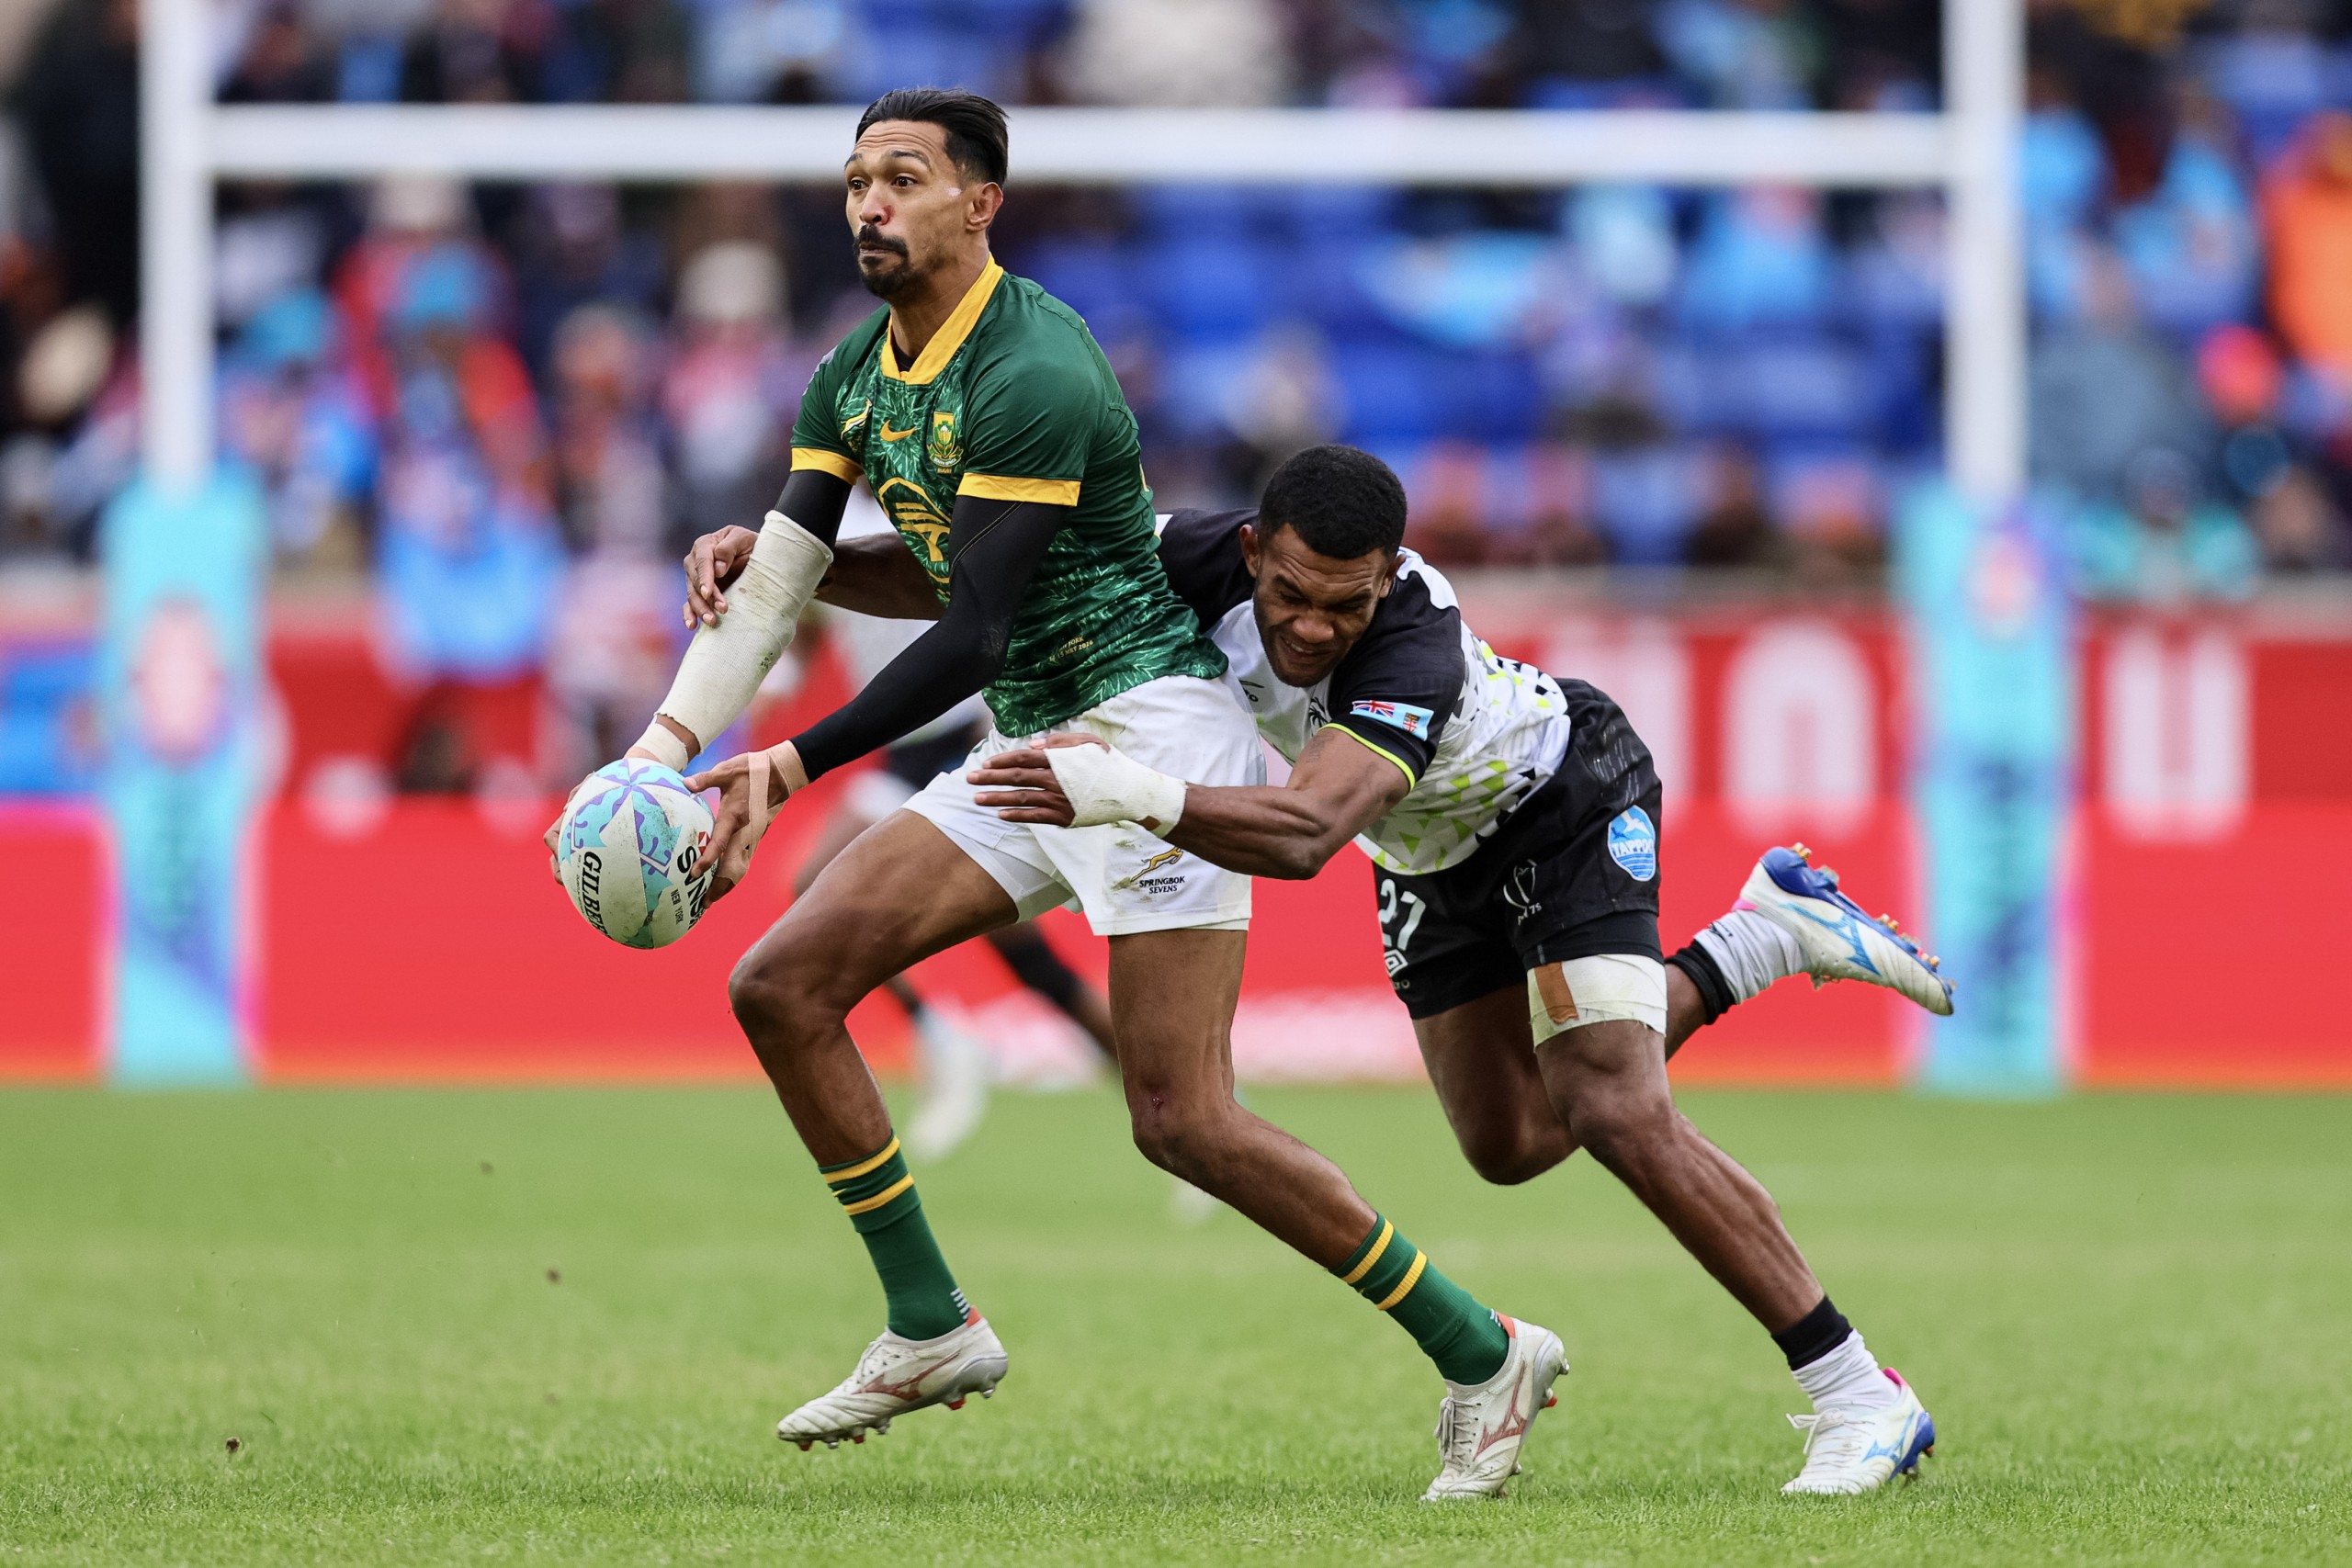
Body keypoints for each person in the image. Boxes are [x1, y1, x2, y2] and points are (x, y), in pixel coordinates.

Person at [572, 90, 1564, 1499]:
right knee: (781, 984)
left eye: (902, 177)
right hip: (1040, 743)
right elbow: (793, 574)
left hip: (1158, 738)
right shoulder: (847, 377)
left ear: (981, 201)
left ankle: (1485, 1346)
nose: (869, 202)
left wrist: (788, 764)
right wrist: (658, 754)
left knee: (1183, 1118)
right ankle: (931, 1323)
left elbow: (974, 622)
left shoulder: (1036, 362)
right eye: (856, 177)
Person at [953, 445, 1951, 1495]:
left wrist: (1131, 791)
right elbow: (1000, 569)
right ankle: (1763, 935)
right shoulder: (1191, 552)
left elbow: (1302, 836)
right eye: (1290, 594)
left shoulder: (1413, 645)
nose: (1311, 627)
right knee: (1511, 1141)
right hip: (1428, 860)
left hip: (1560, 804)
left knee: (1612, 1104)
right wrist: (802, 563)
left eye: (1346, 605)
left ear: (1387, 579)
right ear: (1252, 552)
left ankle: (1859, 1396)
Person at [797, 491, 1120, 1161]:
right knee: (814, 882)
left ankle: (1167, 1094)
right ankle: (946, 1037)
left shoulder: (929, 499)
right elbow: (807, 636)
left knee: (1031, 961)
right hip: (910, 743)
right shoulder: (836, 523)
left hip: (966, 733)